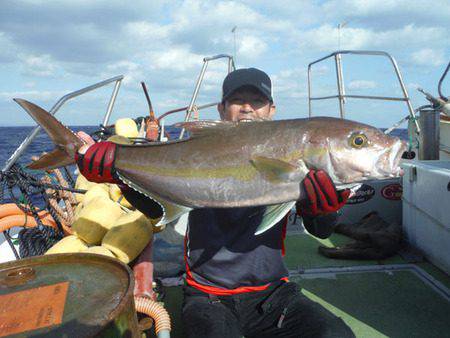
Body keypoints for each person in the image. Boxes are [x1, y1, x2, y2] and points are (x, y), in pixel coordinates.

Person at [76, 68, 354, 337]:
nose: (247, 108)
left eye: (257, 101)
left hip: (273, 294)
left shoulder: (292, 155)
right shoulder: (196, 152)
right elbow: (157, 209)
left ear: (271, 110)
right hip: (208, 297)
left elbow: (321, 231)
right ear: (221, 109)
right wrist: (119, 176)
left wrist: (321, 210)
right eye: (237, 100)